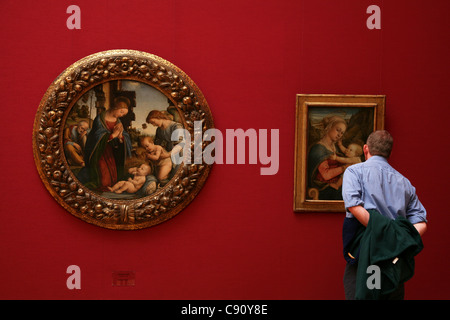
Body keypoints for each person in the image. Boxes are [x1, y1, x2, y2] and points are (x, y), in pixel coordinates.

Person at [342, 130, 427, 300]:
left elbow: (353, 205)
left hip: (364, 253)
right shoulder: (405, 183)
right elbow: (421, 221)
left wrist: (381, 231)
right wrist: (398, 238)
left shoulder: (354, 172)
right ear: (389, 152)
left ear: (366, 149)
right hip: (393, 257)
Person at [77, 97, 132, 191]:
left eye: (124, 114)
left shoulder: (118, 122)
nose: (122, 115)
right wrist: (112, 135)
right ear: (115, 108)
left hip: (111, 151)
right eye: (121, 112)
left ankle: (112, 186)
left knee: (113, 178)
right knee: (103, 179)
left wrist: (120, 137)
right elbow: (96, 136)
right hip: (99, 151)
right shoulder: (100, 118)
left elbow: (124, 136)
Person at [307, 116, 350, 200]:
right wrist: (345, 168)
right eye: (338, 130)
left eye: (342, 133)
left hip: (338, 185)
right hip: (325, 189)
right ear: (329, 127)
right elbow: (326, 175)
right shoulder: (318, 149)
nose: (339, 135)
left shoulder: (335, 147)